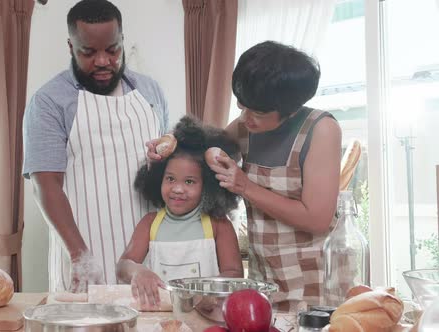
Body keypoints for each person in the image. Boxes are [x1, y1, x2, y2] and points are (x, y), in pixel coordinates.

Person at [147, 41, 342, 311]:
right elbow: (207, 147)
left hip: (313, 284)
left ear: (291, 108)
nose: (245, 118)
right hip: (263, 283)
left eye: (257, 113)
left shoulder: (321, 130)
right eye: (242, 107)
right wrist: (171, 142)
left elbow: (318, 218)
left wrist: (246, 187)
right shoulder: (247, 125)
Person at [23, 0, 169, 293]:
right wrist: (80, 256)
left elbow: (165, 164)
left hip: (148, 259)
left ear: (122, 41)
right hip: (85, 253)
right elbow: (46, 186)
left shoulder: (150, 91)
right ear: (70, 47)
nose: (102, 61)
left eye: (112, 49)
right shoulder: (50, 101)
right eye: (88, 52)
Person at [117, 116, 244, 307]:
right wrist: (138, 272)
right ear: (158, 178)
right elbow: (123, 266)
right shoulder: (150, 223)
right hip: (161, 318)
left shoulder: (218, 224)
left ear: (208, 186)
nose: (177, 189)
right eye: (170, 179)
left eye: (189, 182)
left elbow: (235, 274)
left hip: (205, 316)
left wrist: (207, 292)